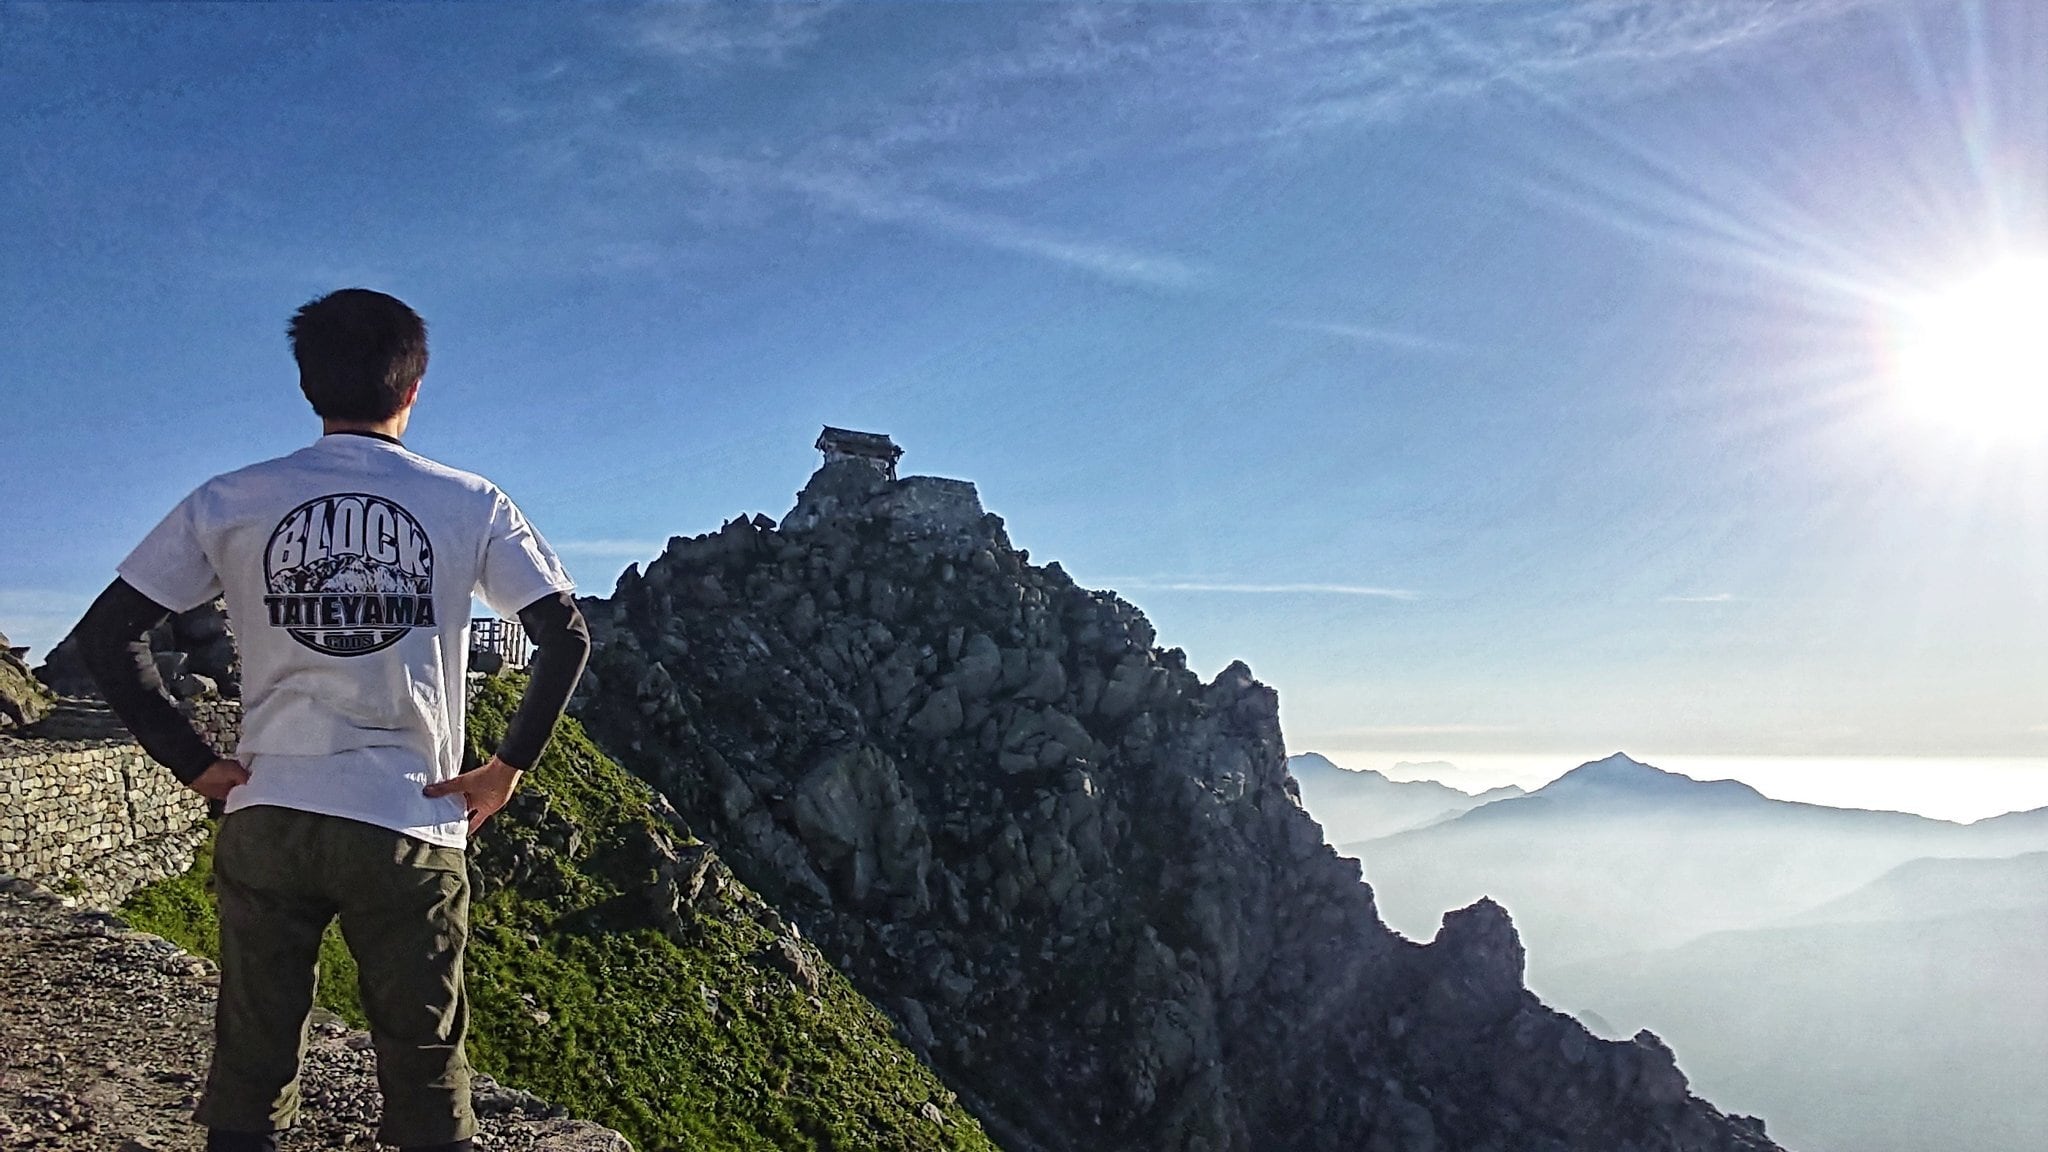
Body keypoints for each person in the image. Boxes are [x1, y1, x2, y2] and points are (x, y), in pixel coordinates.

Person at [75, 288, 592, 1152]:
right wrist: (505, 770)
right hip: (410, 817)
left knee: (252, 1064)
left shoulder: (230, 498)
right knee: (427, 1071)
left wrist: (193, 761)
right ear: (413, 388)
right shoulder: (472, 502)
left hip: (269, 809)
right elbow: (564, 638)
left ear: (308, 386)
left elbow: (107, 634)